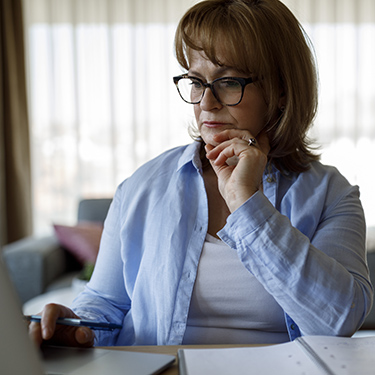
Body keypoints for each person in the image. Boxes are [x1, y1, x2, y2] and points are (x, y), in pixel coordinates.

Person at [29, 0, 373, 347]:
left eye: (228, 82)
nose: (206, 103)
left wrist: (247, 204)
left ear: (281, 91)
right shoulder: (142, 186)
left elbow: (339, 320)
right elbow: (106, 302)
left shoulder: (331, 193)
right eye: (196, 81)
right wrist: (73, 326)